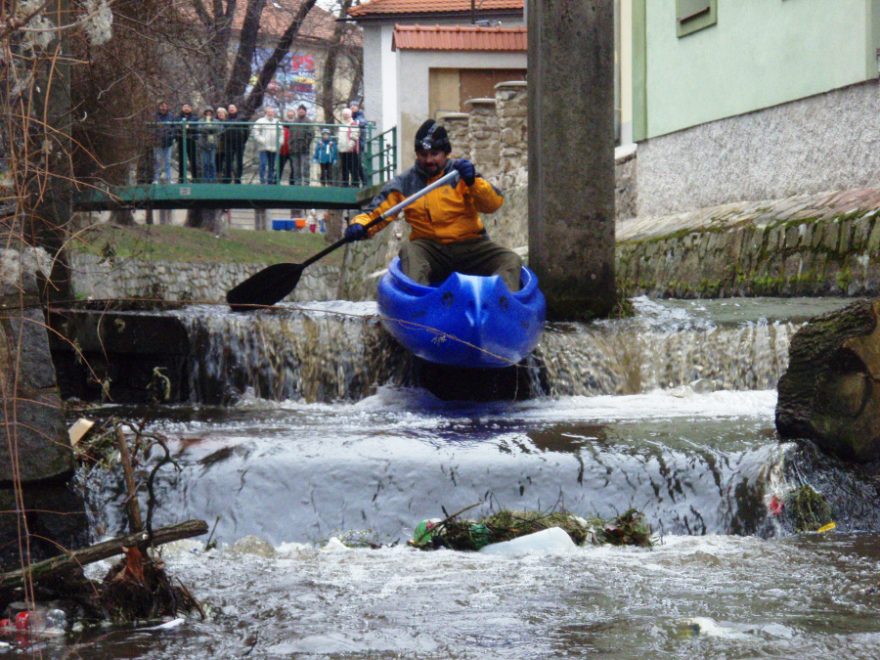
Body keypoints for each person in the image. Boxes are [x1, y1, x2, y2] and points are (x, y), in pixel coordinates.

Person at [344, 119, 522, 292]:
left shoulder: (463, 174)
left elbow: (493, 204)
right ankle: (418, 301)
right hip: (429, 250)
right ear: (417, 154)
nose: (429, 160)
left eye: (435, 154)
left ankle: (501, 301)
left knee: (511, 260)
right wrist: (359, 225)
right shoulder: (403, 183)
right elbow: (376, 213)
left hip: (470, 245)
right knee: (409, 251)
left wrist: (473, 182)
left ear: (446, 153)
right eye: (423, 154)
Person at [287, 103, 314, 186]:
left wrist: (305, 144)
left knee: (305, 167)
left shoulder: (308, 121)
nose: (301, 112)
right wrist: (290, 145)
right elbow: (290, 135)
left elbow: (311, 134)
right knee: (296, 167)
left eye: (302, 111)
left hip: (304, 149)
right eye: (299, 111)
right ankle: (297, 183)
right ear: (297, 111)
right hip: (294, 148)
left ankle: (306, 182)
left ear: (305, 112)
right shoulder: (294, 121)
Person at [252, 107, 281, 184]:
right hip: (263, 147)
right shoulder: (260, 121)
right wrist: (262, 140)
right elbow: (255, 132)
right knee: (263, 164)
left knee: (272, 165)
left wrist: (280, 142)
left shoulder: (277, 121)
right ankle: (262, 180)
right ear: (266, 113)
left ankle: (270, 181)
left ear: (274, 113)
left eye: (272, 112)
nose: (270, 113)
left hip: (274, 147)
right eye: (269, 112)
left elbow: (281, 134)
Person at [224, 103, 249, 184]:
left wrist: (243, 140)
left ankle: (238, 178)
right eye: (230, 108)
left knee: (239, 161)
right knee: (228, 161)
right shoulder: (226, 119)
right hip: (228, 142)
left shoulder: (242, 118)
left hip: (239, 142)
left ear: (236, 109)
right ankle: (227, 178)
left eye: (233, 107)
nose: (231, 109)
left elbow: (247, 130)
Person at [153, 101, 175, 184]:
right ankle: (156, 179)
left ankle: (168, 179)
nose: (163, 108)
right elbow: (152, 128)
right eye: (162, 106)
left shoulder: (171, 116)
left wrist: (171, 136)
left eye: (165, 106)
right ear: (159, 107)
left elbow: (174, 127)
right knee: (157, 161)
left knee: (168, 161)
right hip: (157, 142)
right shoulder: (155, 116)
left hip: (168, 142)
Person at [336, 107, 360, 187]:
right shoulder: (342, 124)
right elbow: (339, 136)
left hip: (351, 149)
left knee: (353, 167)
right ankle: (345, 183)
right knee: (344, 167)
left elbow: (355, 135)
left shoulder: (353, 124)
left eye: (347, 114)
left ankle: (355, 183)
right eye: (344, 114)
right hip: (342, 149)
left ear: (350, 115)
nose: (345, 115)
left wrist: (351, 145)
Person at [176, 103, 199, 183]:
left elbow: (195, 128)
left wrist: (188, 127)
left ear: (191, 109)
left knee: (193, 159)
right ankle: (181, 178)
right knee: (181, 160)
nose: (186, 108)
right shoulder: (178, 118)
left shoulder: (195, 118)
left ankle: (195, 178)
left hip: (191, 140)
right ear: (182, 108)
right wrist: (184, 127)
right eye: (185, 107)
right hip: (181, 140)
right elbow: (177, 127)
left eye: (188, 107)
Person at [197, 107, 220, 182]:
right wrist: (210, 129)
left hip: (213, 144)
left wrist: (206, 128)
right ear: (205, 113)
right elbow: (199, 129)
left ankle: (213, 179)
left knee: (212, 163)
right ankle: (205, 179)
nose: (208, 113)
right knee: (205, 163)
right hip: (203, 144)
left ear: (212, 113)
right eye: (207, 112)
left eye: (210, 112)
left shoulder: (216, 121)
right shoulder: (201, 121)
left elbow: (217, 128)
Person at [350, 101, 367, 186]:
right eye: (351, 106)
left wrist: (355, 123)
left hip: (359, 144)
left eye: (354, 105)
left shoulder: (360, 116)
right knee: (353, 164)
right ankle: (355, 182)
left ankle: (364, 182)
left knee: (359, 164)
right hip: (352, 144)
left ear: (357, 107)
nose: (352, 107)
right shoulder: (351, 117)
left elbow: (362, 123)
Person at [215, 106, 229, 182]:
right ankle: (218, 178)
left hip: (227, 145)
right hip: (217, 145)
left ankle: (227, 179)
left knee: (227, 162)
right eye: (219, 113)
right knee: (217, 161)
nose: (220, 114)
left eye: (222, 113)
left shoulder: (228, 122)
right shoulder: (214, 122)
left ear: (225, 114)